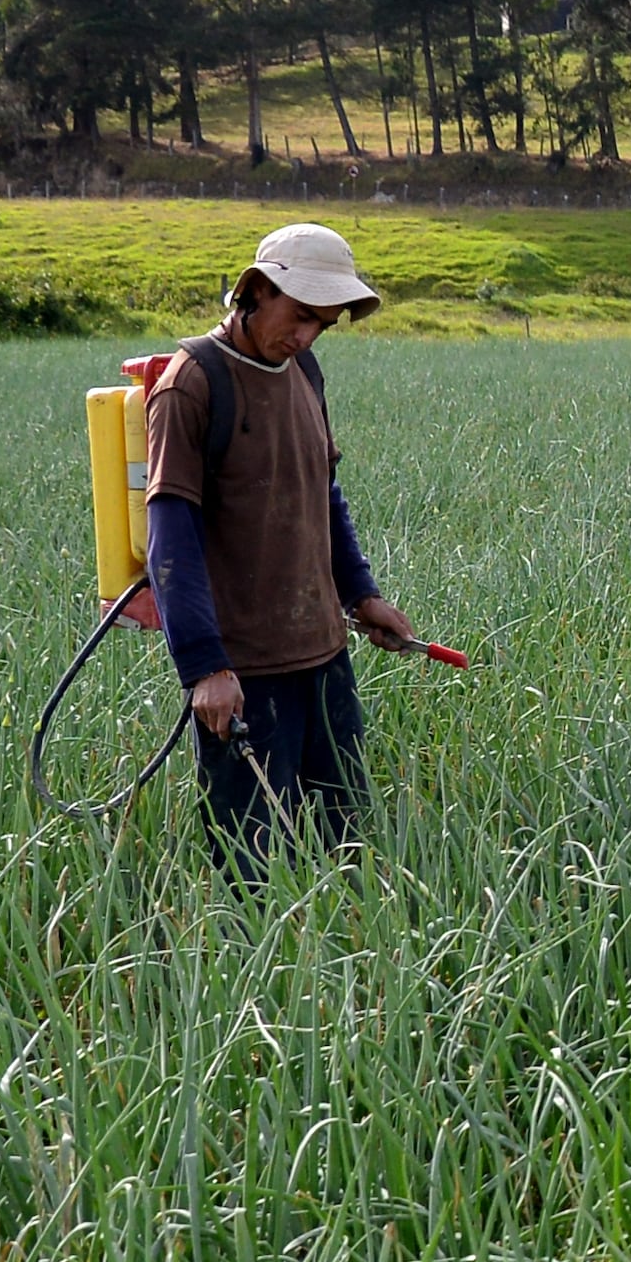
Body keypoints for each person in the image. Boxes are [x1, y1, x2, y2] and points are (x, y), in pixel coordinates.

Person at [144, 222, 416, 863]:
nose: (305, 336)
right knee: (252, 866)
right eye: (299, 317)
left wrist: (361, 594)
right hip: (243, 676)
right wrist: (206, 669)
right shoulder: (192, 385)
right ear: (256, 291)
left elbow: (321, 495)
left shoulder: (304, 371)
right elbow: (170, 541)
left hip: (323, 657)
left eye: (321, 324)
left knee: (346, 845)